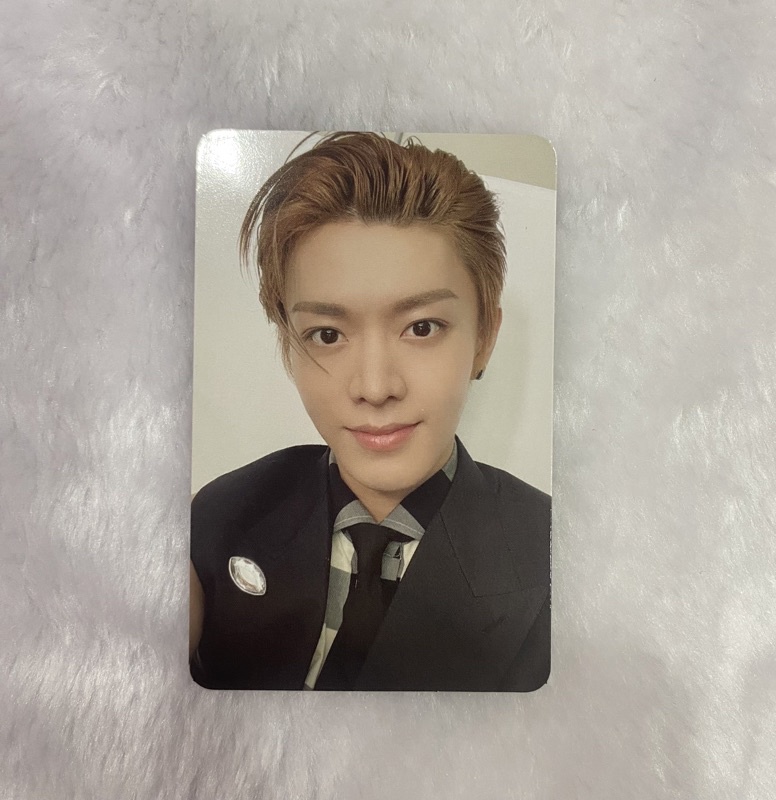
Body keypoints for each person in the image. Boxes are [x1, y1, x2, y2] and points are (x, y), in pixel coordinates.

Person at [189, 132, 550, 691]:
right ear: (288, 344)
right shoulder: (220, 518)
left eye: (422, 327)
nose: (375, 388)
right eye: (327, 334)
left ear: (484, 338)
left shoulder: (559, 557)